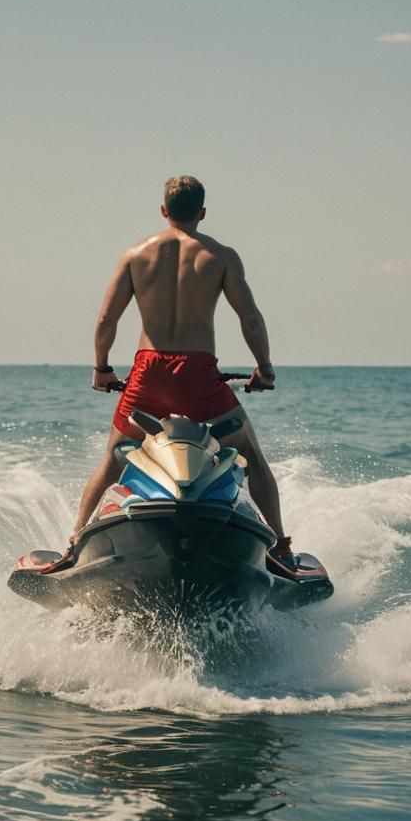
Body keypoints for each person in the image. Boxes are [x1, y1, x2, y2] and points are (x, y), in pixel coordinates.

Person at [69, 175, 301, 574]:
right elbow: (249, 318)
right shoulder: (221, 256)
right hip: (198, 378)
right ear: (203, 212)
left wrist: (102, 368)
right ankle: (280, 545)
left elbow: (107, 318)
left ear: (163, 211)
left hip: (148, 374)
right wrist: (264, 369)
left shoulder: (135, 255)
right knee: (253, 459)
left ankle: (74, 543)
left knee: (112, 458)